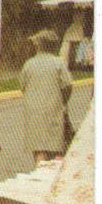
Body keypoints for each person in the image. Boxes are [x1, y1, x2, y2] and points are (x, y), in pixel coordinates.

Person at [20, 28, 73, 165]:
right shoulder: (58, 63)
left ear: (38, 45)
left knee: (39, 149)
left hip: (34, 112)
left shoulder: (29, 64)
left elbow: (22, 86)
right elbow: (67, 85)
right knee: (56, 147)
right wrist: (62, 100)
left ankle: (40, 173)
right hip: (54, 109)